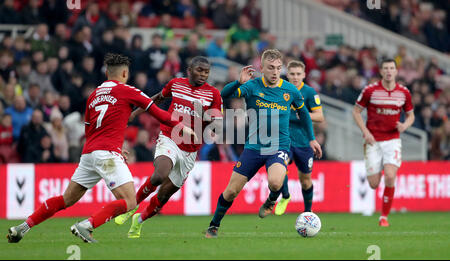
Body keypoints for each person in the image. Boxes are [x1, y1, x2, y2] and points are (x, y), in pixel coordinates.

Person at [7, 53, 196, 243]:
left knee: (66, 199)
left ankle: (22, 228)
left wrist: (113, 146)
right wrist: (183, 127)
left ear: (107, 72)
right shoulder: (127, 90)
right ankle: (86, 226)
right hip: (106, 153)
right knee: (130, 202)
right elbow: (158, 113)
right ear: (124, 72)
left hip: (89, 153)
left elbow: (89, 129)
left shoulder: (93, 95)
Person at [204, 49, 322, 238]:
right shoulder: (252, 86)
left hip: (279, 146)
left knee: (275, 182)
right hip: (253, 147)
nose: (275, 72)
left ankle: (270, 201)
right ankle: (214, 225)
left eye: (278, 68)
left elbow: (305, 115)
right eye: (270, 68)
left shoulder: (290, 90)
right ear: (262, 68)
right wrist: (238, 82)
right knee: (231, 191)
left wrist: (311, 139)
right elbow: (224, 95)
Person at [114, 56, 223, 239]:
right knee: (159, 175)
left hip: (190, 151)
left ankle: (139, 221)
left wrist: (206, 116)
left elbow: (218, 125)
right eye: (199, 70)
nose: (203, 75)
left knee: (164, 195)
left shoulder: (213, 94)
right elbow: (156, 99)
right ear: (189, 70)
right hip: (169, 138)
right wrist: (134, 114)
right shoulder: (176, 84)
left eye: (206, 72)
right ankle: (131, 206)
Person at [352, 58, 414, 227]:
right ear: (380, 71)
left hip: (392, 140)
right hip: (372, 140)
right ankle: (376, 168)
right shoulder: (370, 90)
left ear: (396, 71)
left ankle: (384, 217)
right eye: (385, 68)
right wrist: (365, 132)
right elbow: (356, 112)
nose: (388, 71)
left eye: (391, 68)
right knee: (373, 184)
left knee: (390, 175)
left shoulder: (403, 92)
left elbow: (411, 115)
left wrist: (405, 125)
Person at [260, 60, 324, 217]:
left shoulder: (309, 92)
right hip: (284, 139)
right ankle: (286, 196)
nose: (295, 77)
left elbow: (320, 116)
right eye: (292, 74)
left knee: (305, 180)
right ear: (287, 75)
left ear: (304, 75)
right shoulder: (279, 89)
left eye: (298, 74)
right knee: (280, 169)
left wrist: (302, 114)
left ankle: (308, 212)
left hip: (304, 142)